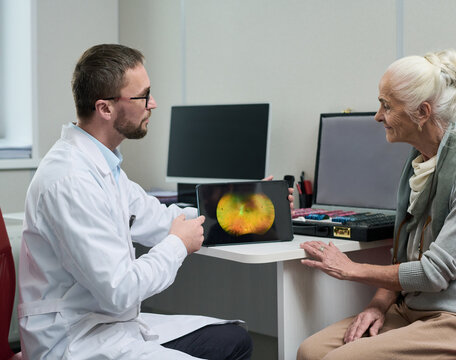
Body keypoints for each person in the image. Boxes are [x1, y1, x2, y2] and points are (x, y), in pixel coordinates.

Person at [17, 43, 282, 360]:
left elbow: (161, 218)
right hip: (74, 341)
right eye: (143, 96)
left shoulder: (105, 167)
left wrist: (254, 205)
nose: (153, 104)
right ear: (105, 108)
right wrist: (177, 245)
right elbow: (120, 290)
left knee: (234, 340)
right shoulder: (71, 182)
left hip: (107, 326)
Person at [296, 49, 456, 360]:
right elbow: (406, 259)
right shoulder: (420, 163)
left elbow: (434, 273)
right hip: (414, 308)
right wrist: (377, 304)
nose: (377, 116)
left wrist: (352, 270)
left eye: (386, 106)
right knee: (310, 352)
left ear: (422, 112)